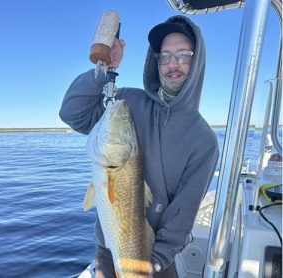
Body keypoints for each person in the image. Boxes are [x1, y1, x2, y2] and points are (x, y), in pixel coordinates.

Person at [60, 15, 219, 278]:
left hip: (159, 259)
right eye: (165, 56)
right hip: (109, 251)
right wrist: (102, 70)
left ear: (197, 60)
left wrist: (147, 267)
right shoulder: (126, 100)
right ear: (155, 61)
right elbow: (73, 114)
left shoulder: (204, 140)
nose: (173, 64)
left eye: (183, 54)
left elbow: (183, 214)